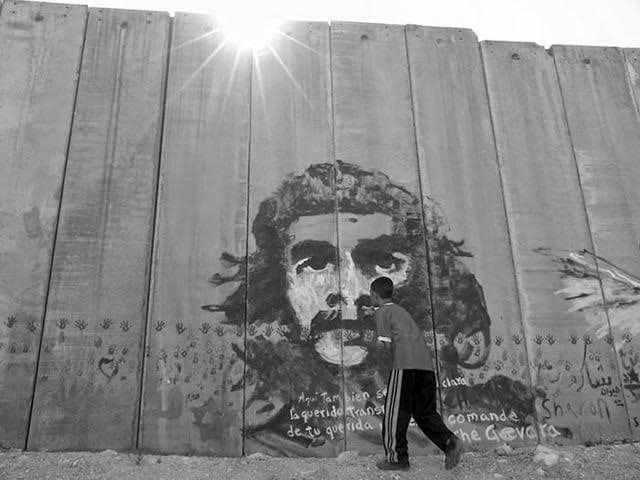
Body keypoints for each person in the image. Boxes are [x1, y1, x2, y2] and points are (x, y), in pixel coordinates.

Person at [370, 276, 464, 470]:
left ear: (374, 295)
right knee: (424, 412)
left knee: (394, 414)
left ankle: (397, 459)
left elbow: (387, 346)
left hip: (405, 366)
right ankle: (449, 442)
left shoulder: (381, 312)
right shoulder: (401, 311)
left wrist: (394, 366)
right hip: (426, 368)